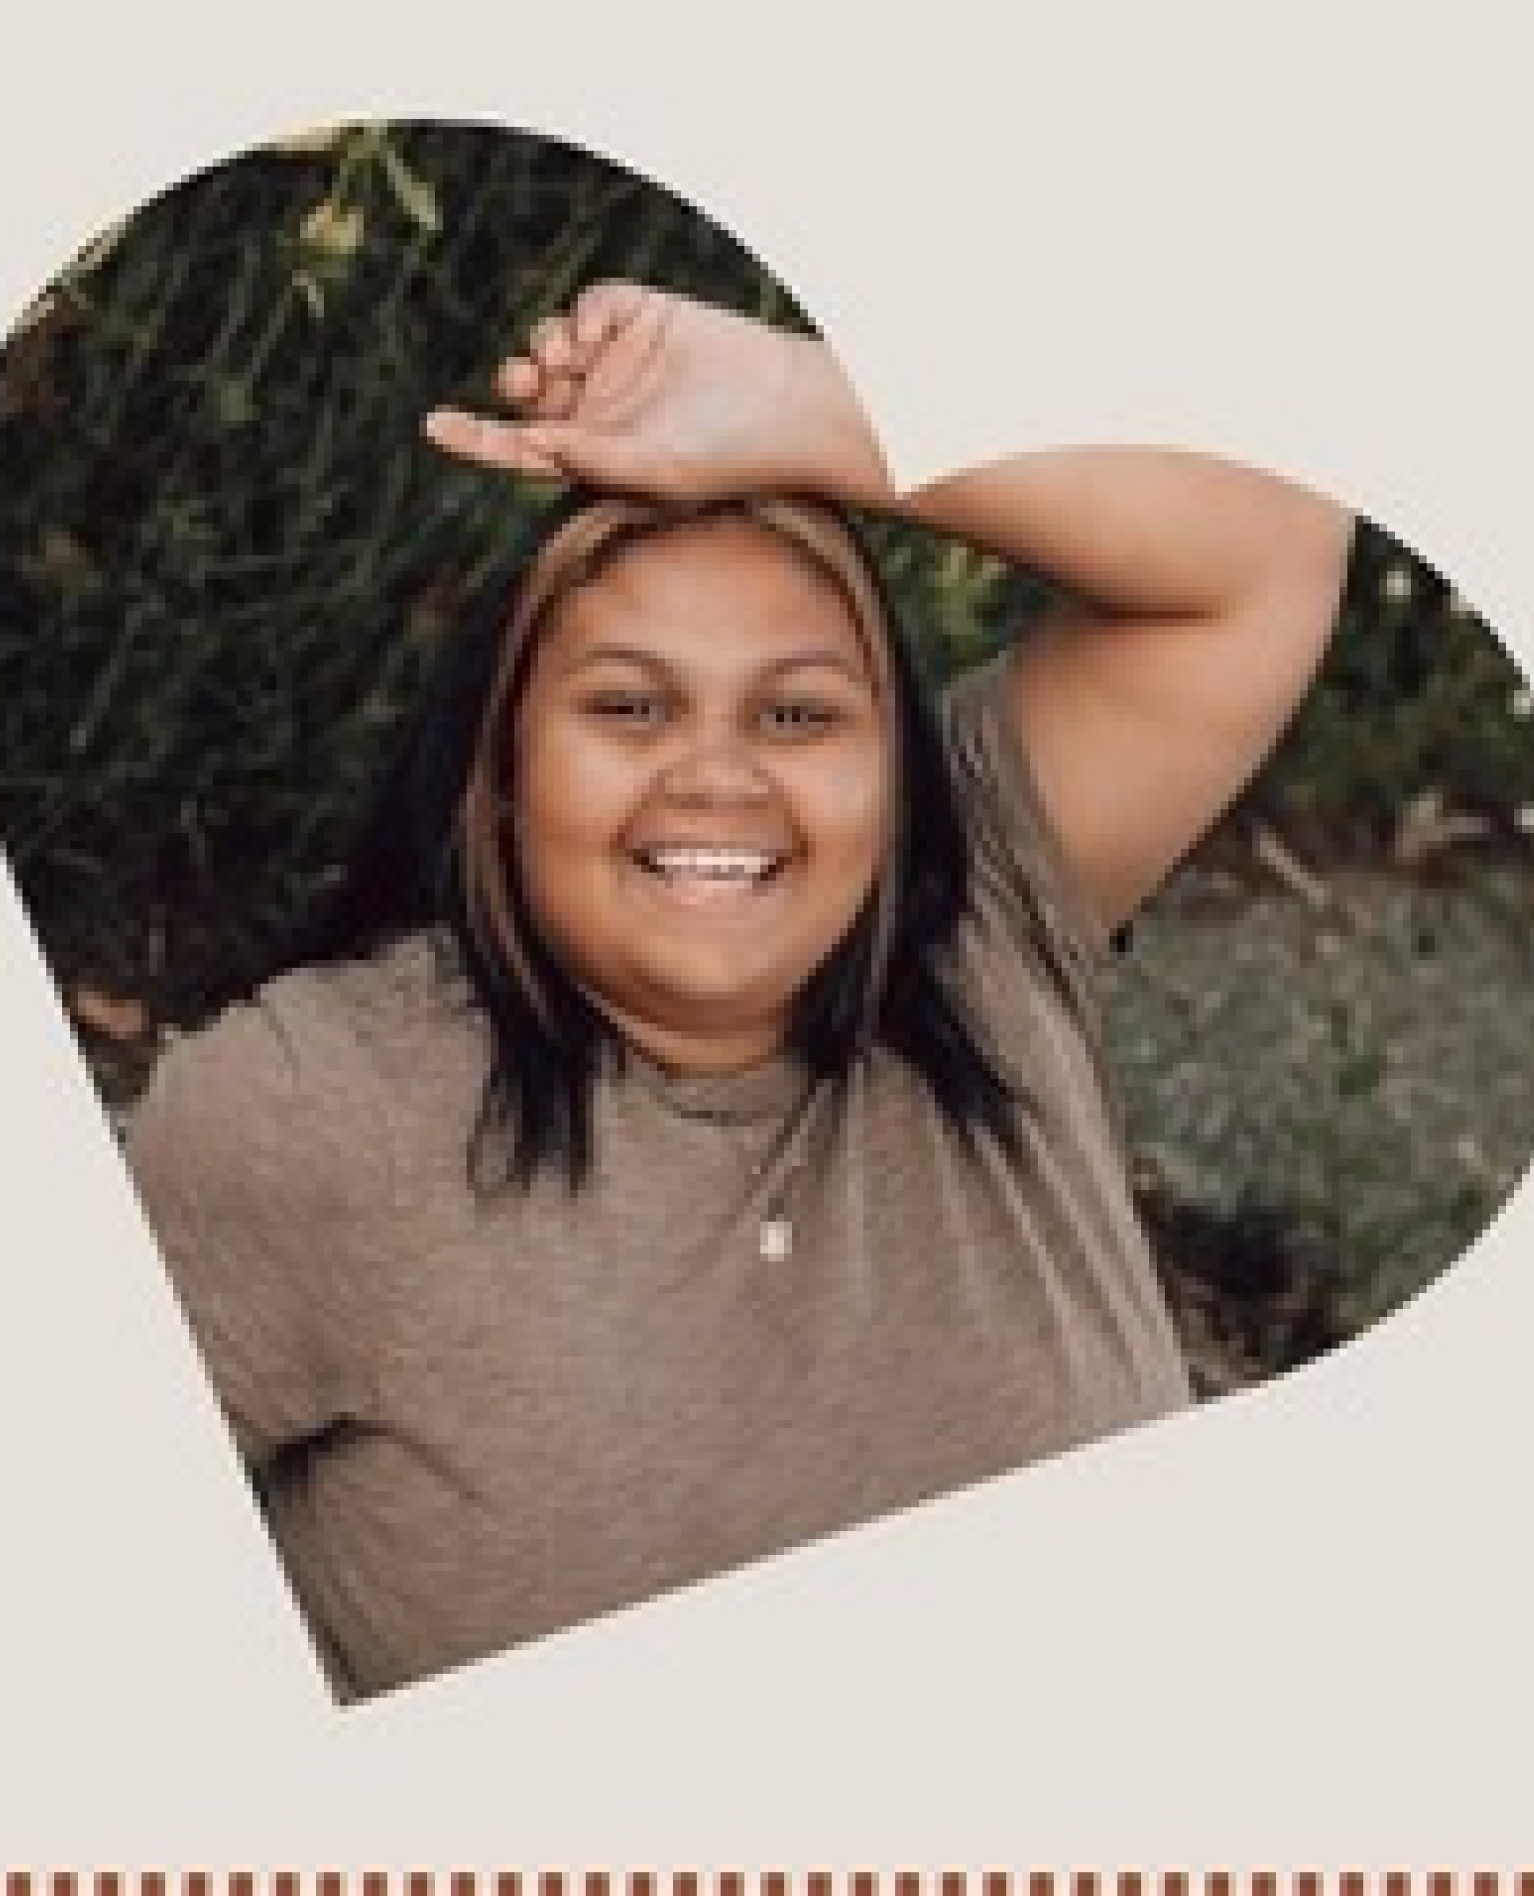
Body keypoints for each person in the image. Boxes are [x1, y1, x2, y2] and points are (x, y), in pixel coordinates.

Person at [125, 281, 1353, 1701]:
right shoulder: (309, 1111)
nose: (720, 773)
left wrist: (793, 413)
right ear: (503, 774)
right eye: (629, 705)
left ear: (891, 787)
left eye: (799, 713)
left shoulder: (981, 922)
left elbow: (1274, 542)